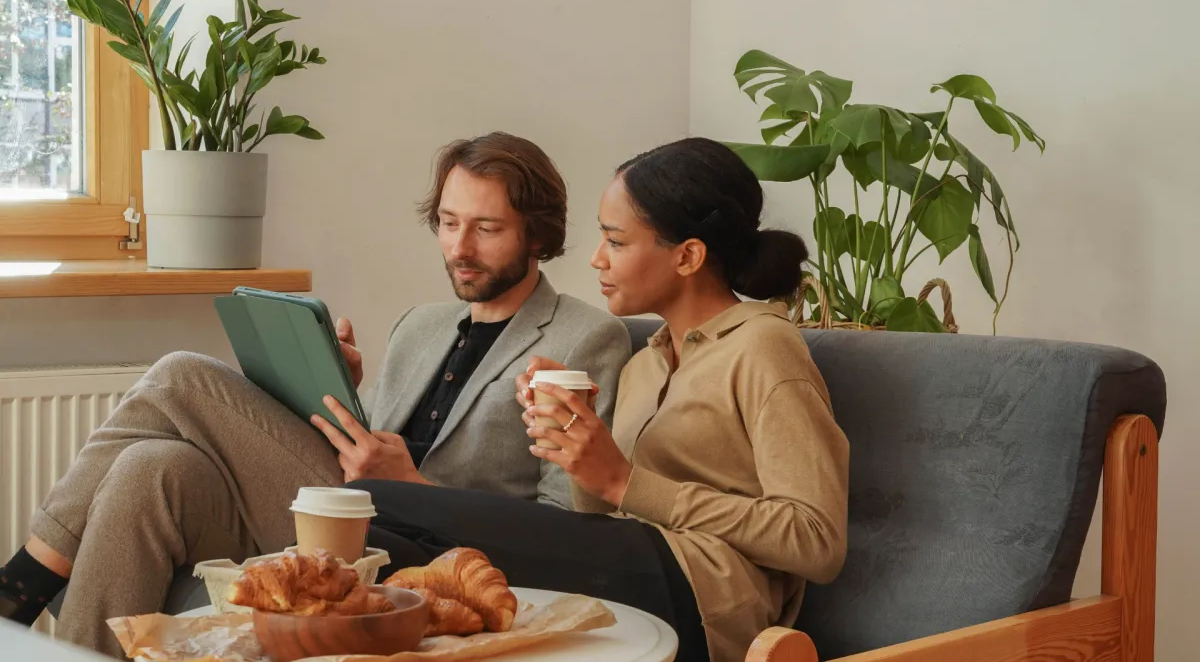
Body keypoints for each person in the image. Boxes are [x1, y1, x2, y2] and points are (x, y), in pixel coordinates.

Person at [0, 131, 632, 657]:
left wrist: (413, 486)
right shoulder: (422, 324)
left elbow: (567, 527)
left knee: (179, 374)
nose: (459, 249)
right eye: (447, 223)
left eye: (487, 228)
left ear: (538, 235)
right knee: (154, 467)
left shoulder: (586, 337)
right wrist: (335, 392)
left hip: (423, 547)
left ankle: (26, 578)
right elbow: (363, 450)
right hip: (338, 511)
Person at [346, 136, 850, 662]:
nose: (595, 259)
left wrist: (625, 482)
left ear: (688, 256)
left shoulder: (764, 347)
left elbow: (817, 542)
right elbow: (603, 513)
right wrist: (574, 446)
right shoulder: (648, 361)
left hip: (707, 597)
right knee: (379, 545)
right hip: (628, 573)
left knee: (385, 501)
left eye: (616, 241)